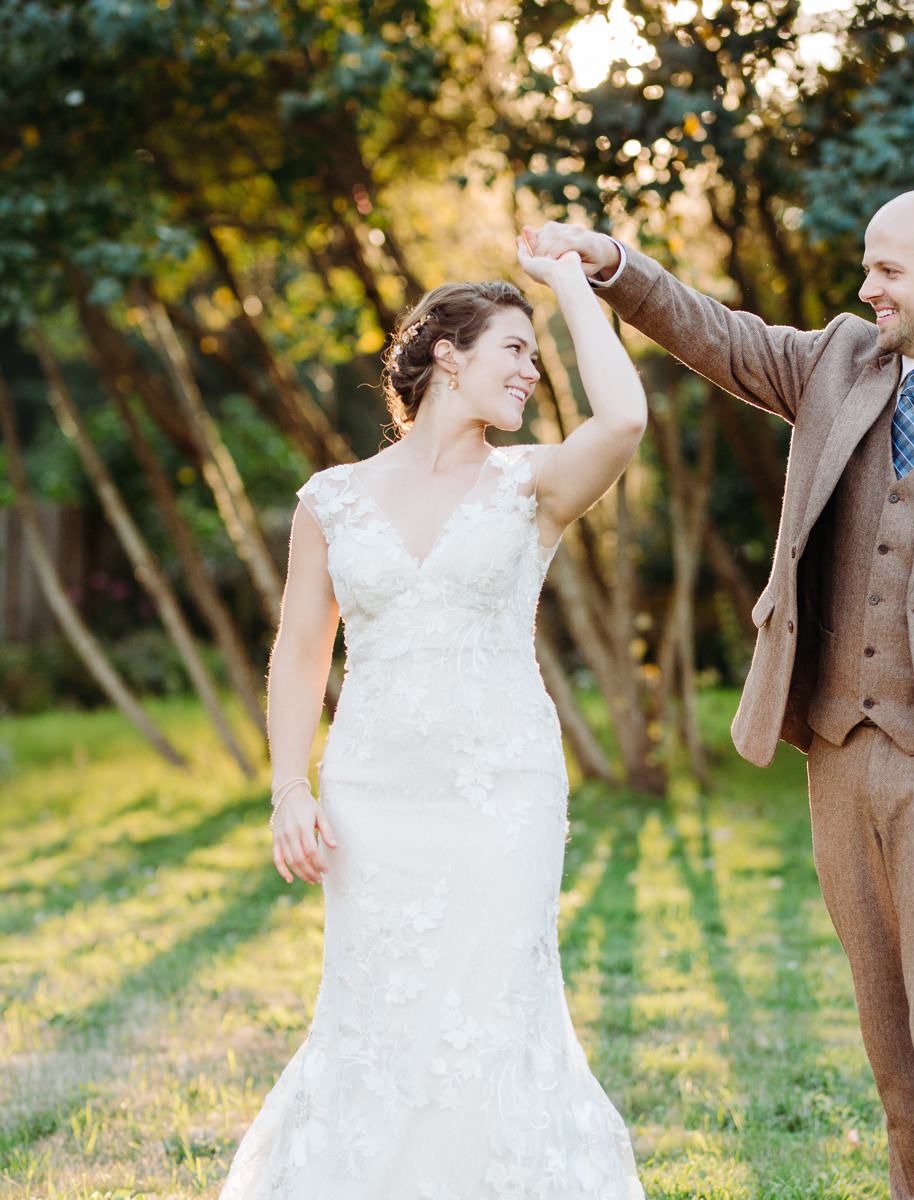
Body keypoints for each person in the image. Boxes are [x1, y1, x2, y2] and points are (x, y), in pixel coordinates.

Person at [529, 187, 914, 1200]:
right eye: (868, 266)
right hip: (841, 757)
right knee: (895, 1064)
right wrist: (610, 264)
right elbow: (714, 334)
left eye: (888, 270)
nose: (867, 287)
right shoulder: (837, 364)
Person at [219, 236, 647, 1198]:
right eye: (514, 351)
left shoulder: (531, 484)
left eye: (537, 358)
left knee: (496, 1008)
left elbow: (622, 418)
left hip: (504, 792)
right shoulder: (332, 500)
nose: (532, 375)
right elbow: (296, 654)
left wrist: (574, 287)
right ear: (447, 353)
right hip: (374, 797)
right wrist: (290, 788)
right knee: (377, 1013)